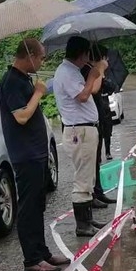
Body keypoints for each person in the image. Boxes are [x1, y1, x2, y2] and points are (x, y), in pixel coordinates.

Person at [0, 38, 70, 271]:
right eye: (40, 57)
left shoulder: (22, 79)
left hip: (36, 153)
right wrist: (38, 93)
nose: (42, 61)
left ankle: (42, 252)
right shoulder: (10, 82)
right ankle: (31, 260)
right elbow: (21, 117)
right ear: (29, 56)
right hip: (25, 155)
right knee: (28, 208)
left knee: (38, 204)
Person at [52, 36, 108, 237]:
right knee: (83, 178)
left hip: (85, 129)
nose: (88, 59)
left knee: (88, 177)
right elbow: (83, 96)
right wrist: (93, 75)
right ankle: (82, 225)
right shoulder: (66, 72)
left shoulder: (71, 71)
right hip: (80, 130)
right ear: (82, 54)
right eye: (87, 55)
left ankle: (88, 219)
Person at [81, 44, 116, 210]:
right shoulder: (88, 70)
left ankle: (99, 191)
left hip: (99, 116)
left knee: (97, 158)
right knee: (92, 160)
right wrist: (100, 70)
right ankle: (93, 194)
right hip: (89, 120)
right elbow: (94, 90)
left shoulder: (92, 70)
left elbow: (108, 87)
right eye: (104, 58)